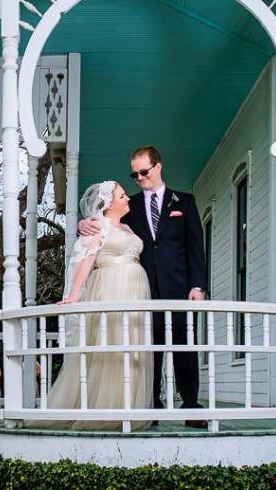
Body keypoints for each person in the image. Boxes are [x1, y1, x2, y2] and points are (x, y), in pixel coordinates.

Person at [78, 146, 207, 429]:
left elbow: (196, 247)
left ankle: (192, 406)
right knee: (148, 348)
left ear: (158, 167)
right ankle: (151, 406)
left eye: (144, 172)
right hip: (143, 289)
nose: (139, 177)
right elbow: (105, 225)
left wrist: (198, 286)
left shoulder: (184, 202)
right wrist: (82, 224)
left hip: (180, 288)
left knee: (186, 347)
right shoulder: (129, 205)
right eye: (134, 174)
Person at [45, 180, 152, 431]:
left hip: (136, 291)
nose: (128, 199)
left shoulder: (126, 226)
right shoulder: (100, 226)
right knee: (111, 343)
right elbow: (87, 259)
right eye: (122, 196)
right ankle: (106, 408)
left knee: (132, 345)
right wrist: (74, 293)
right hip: (111, 287)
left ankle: (129, 408)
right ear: (109, 203)